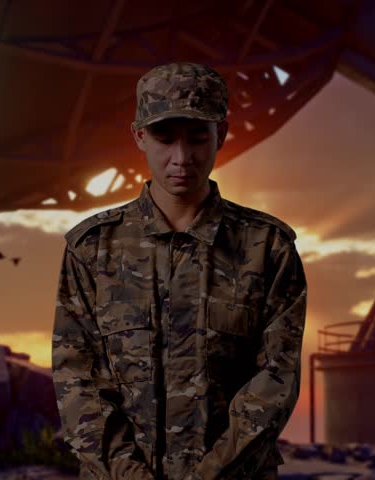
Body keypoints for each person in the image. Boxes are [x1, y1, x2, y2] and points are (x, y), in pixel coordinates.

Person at [52, 62, 307, 480]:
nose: (181, 158)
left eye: (197, 138)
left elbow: (276, 381)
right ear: (139, 137)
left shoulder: (267, 248)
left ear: (221, 136)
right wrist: (127, 473)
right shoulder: (92, 248)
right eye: (164, 138)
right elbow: (76, 379)